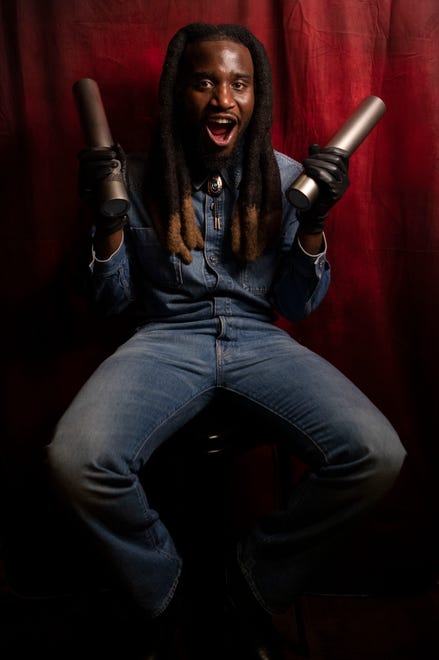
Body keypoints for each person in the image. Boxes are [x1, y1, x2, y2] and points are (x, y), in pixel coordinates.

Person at [47, 22, 406, 660]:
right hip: (164, 338)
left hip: (258, 340)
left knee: (376, 454)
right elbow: (111, 302)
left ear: (256, 97)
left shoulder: (289, 177)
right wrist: (107, 228)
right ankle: (170, 590)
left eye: (239, 84)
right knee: (77, 462)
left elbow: (297, 304)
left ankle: (250, 581)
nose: (223, 98)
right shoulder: (130, 176)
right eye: (205, 82)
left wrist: (315, 224)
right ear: (177, 93)